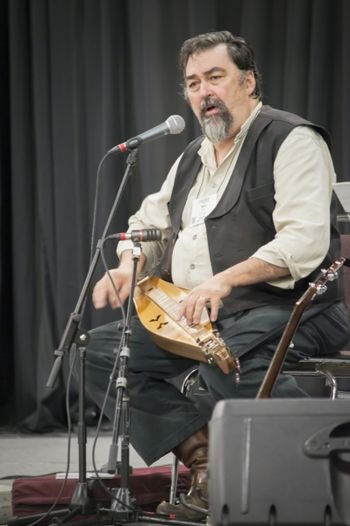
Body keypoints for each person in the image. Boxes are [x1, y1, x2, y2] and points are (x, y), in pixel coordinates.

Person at [84, 31, 350, 520]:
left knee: (222, 354)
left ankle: (310, 473)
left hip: (296, 304)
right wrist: (128, 264)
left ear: (248, 81)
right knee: (102, 353)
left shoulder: (293, 140)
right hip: (203, 312)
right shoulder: (193, 157)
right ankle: (207, 469)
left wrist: (222, 282)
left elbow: (303, 244)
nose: (203, 92)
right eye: (192, 83)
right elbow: (149, 224)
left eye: (215, 77)